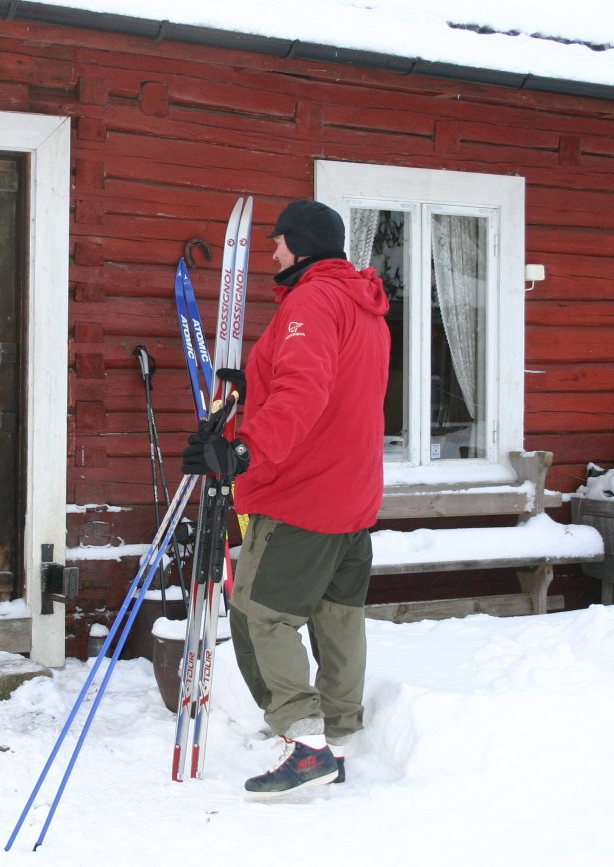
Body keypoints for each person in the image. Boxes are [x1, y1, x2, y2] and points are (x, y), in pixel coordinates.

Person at [182, 199, 390, 800]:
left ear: (300, 245)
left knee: (256, 612)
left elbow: (304, 389)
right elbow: (334, 381)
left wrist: (244, 452)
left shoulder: (311, 301)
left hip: (304, 493)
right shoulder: (364, 304)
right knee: (337, 616)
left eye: (277, 243)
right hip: (353, 496)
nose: (270, 252)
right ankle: (339, 737)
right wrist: (255, 382)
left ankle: (304, 743)